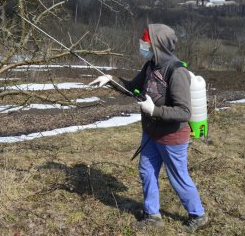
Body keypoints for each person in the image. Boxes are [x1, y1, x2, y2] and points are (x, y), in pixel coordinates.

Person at [89, 24, 208, 232]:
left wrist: (154, 111)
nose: (141, 46)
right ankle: (152, 215)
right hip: (151, 133)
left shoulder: (176, 71)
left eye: (144, 43)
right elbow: (133, 88)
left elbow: (184, 112)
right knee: (146, 171)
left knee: (177, 177)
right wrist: (111, 80)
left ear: (157, 45)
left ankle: (198, 215)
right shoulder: (150, 66)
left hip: (172, 136)